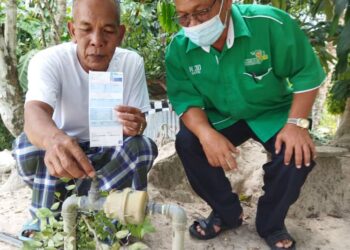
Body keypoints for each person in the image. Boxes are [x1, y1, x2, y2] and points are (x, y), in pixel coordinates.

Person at [166, 0, 325, 249]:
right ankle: (226, 213)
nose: (193, 24)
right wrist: (206, 133)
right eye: (183, 16)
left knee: (296, 155)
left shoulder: (270, 23)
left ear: (226, 3)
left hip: (272, 112)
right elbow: (185, 100)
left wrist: (297, 124)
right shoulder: (179, 48)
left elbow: (306, 72)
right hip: (222, 115)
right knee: (188, 141)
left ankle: (271, 223)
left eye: (201, 11)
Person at [13, 0, 158, 239]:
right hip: (63, 160)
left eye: (108, 31)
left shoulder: (131, 63)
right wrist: (54, 140)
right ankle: (47, 219)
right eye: (86, 29)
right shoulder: (49, 60)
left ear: (121, 34)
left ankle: (94, 211)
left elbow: (139, 125)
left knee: (143, 148)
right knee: (26, 147)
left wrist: (136, 125)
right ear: (72, 31)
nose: (97, 40)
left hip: (109, 157)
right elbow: (33, 114)